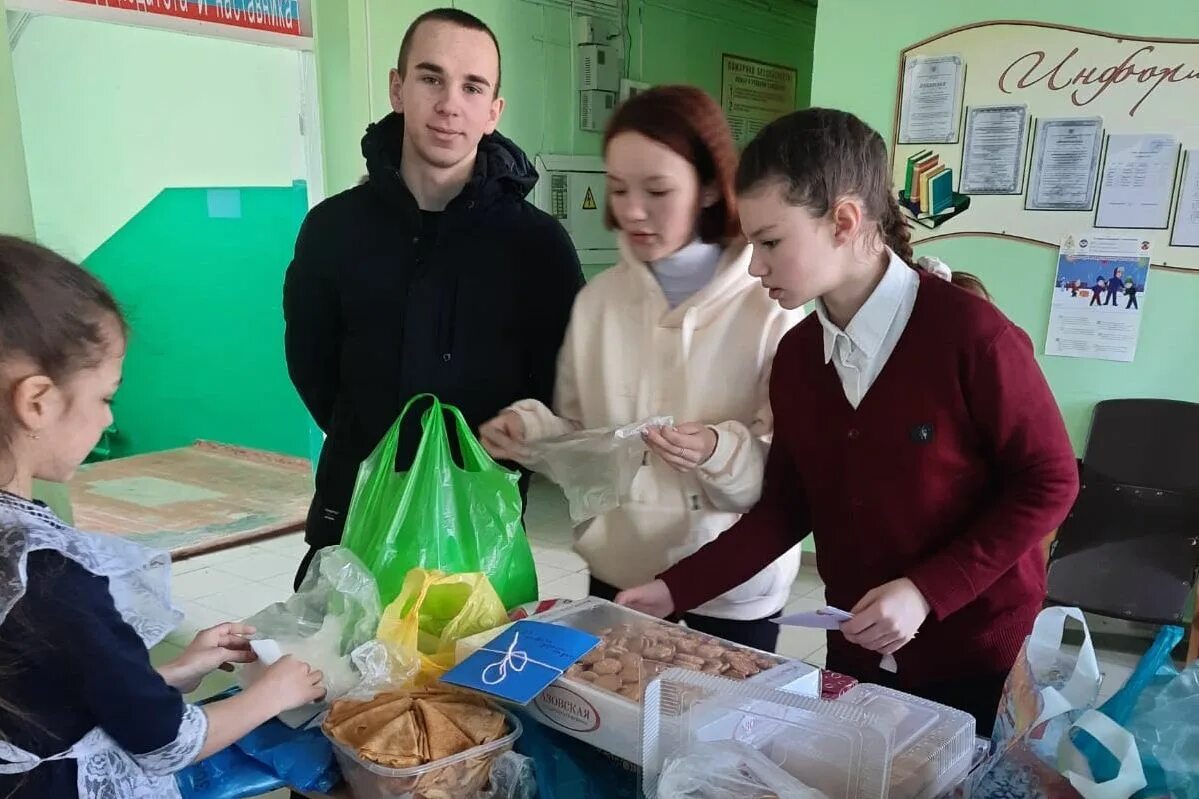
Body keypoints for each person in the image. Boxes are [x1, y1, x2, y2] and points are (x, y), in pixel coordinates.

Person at [616, 108, 1079, 733]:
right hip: (856, 645)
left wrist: (925, 590)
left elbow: (1049, 482)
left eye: (771, 242)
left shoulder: (972, 337)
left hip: (974, 654)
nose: (755, 267)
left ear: (844, 221)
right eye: (751, 243)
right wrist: (673, 590)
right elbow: (786, 507)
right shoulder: (800, 356)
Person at [478, 86, 802, 651]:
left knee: (711, 736)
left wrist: (715, 450)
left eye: (657, 190)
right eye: (619, 189)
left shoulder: (772, 305)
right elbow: (588, 445)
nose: (630, 210)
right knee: (611, 731)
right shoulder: (599, 301)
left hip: (727, 591)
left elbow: (789, 481)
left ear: (707, 186)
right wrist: (535, 434)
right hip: (619, 575)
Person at [0, 236, 326, 798]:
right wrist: (274, 692)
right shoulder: (50, 576)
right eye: (106, 397)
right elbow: (169, 744)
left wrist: (172, 672)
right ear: (38, 401)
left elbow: (48, 691)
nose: (106, 421)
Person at [283, 8, 584, 589]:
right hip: (352, 520)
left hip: (478, 528)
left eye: (473, 87)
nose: (451, 103)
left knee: (462, 681)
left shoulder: (538, 246)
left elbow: (562, 384)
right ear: (398, 88)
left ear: (493, 111)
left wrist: (513, 443)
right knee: (332, 677)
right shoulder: (333, 229)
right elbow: (312, 365)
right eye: (431, 78)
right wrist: (376, 445)